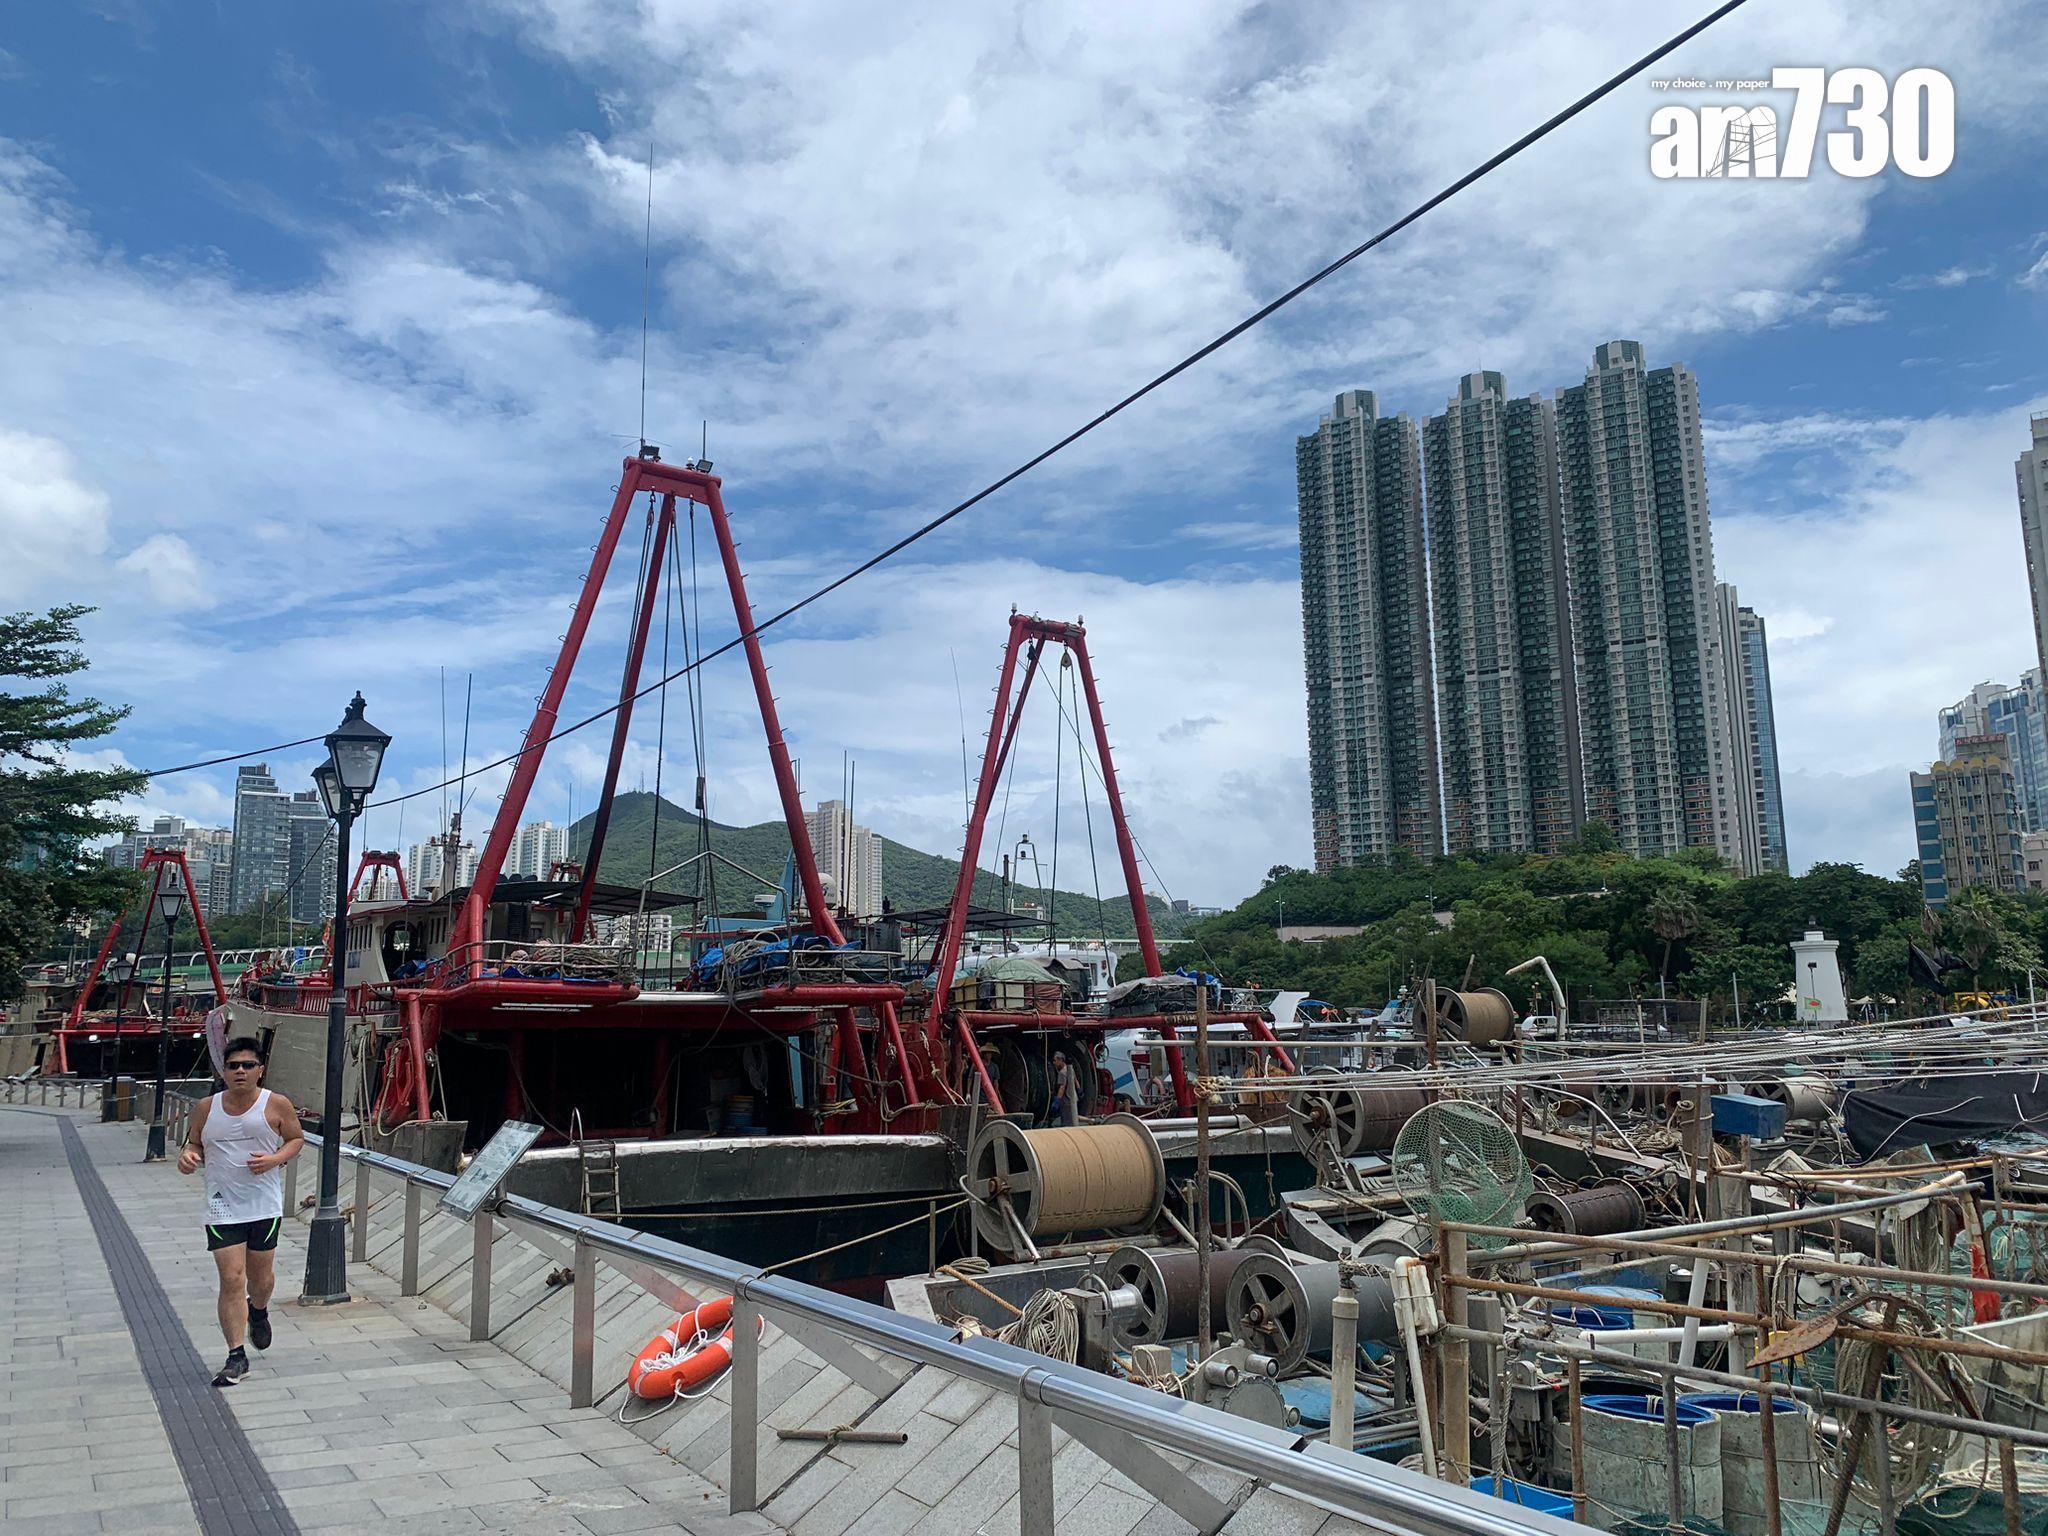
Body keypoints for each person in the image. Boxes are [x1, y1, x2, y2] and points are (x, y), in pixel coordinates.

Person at [177, 1036, 305, 1387]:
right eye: (233, 1066)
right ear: (224, 1071)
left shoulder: (276, 1104)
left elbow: (296, 1139)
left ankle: (258, 1310)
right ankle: (236, 1356)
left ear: (260, 1070)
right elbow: (193, 1142)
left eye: (248, 1065)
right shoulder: (206, 1107)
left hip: (263, 1204)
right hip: (222, 1206)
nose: (240, 1072)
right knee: (231, 1278)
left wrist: (274, 1159)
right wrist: (187, 1157)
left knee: (260, 1279)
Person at [1052, 1051, 1079, 1127]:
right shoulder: (1070, 1069)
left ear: (1060, 1060)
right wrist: (1079, 1090)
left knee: (1067, 1122)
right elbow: (1076, 1080)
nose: (1054, 1063)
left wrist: (1057, 1100)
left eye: (1055, 1061)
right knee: (1073, 1117)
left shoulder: (1062, 1073)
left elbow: (1062, 1087)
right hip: (1073, 1098)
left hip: (1066, 1101)